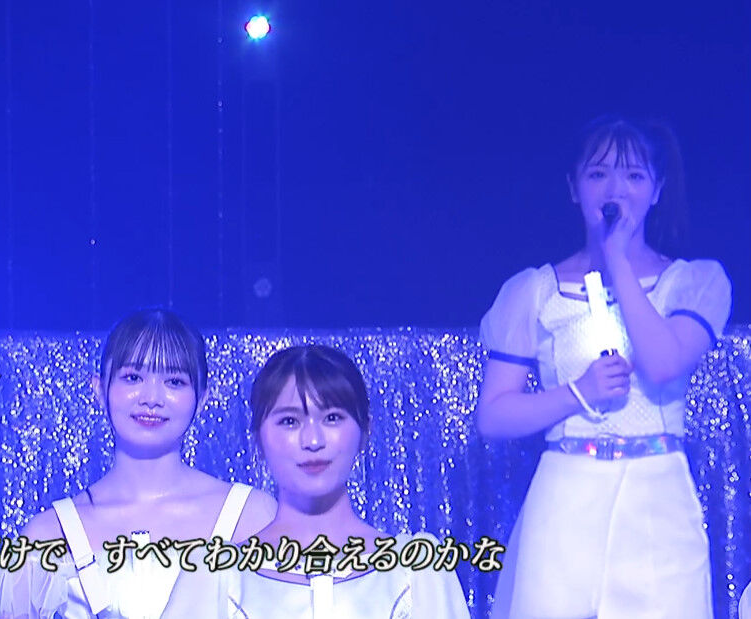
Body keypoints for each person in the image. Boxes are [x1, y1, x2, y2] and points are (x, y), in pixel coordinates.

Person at [477, 116, 731, 618]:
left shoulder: (696, 283)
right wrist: (578, 392)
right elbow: (494, 416)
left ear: (657, 189)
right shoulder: (533, 290)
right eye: (598, 174)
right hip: (564, 494)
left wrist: (617, 258)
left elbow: (662, 363)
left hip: (658, 499)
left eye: (634, 176)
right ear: (574, 188)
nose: (616, 189)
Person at [0, 308, 277, 619]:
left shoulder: (253, 517)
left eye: (174, 381)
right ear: (98, 389)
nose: (151, 398)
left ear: (202, 398)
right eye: (133, 377)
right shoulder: (48, 535)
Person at [164, 345, 470, 618]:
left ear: (365, 430)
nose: (312, 440)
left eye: (332, 418)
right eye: (289, 421)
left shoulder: (417, 572)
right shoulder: (215, 576)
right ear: (258, 439)